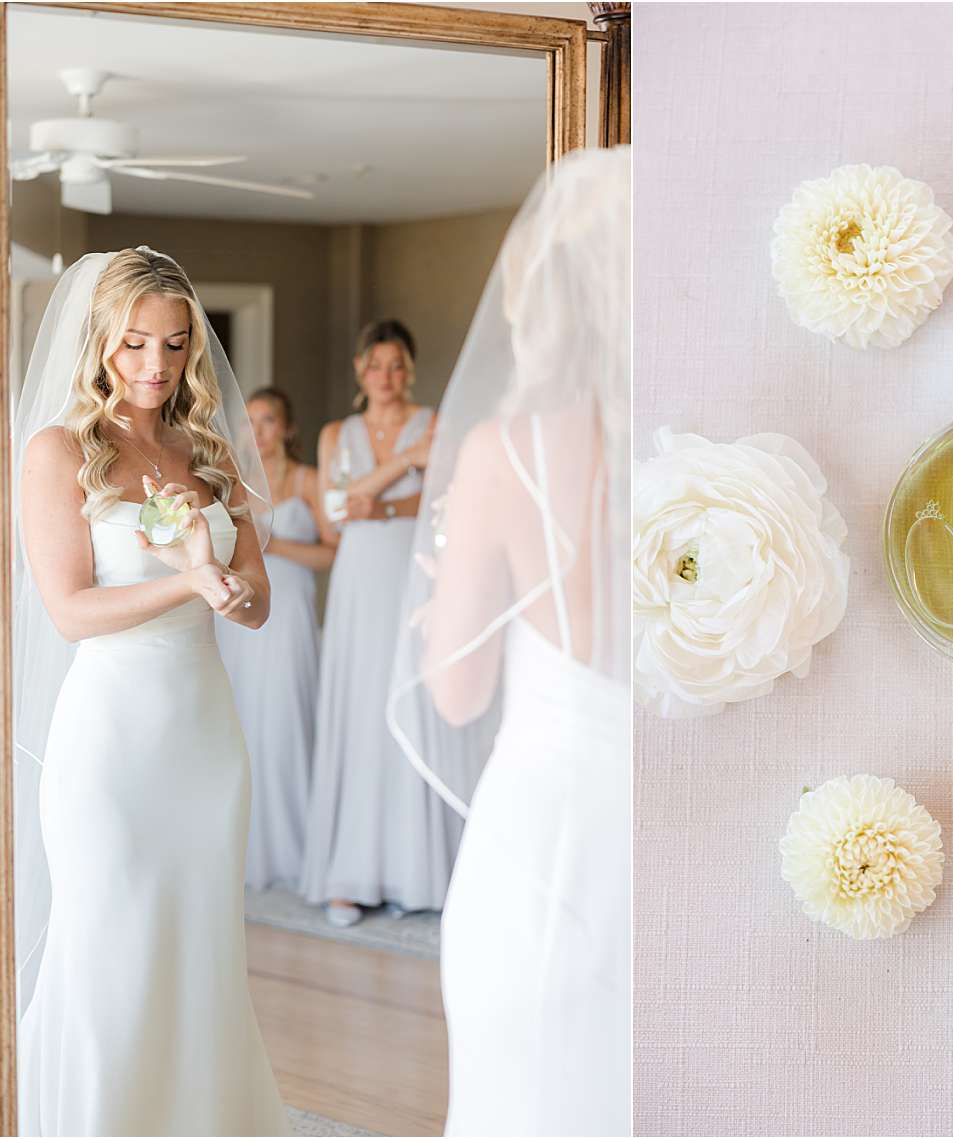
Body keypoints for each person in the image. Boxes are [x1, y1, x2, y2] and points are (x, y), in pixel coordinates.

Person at [12, 246, 288, 1135]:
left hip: (203, 741)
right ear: (99, 341)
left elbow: (258, 603)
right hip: (110, 744)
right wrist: (188, 581)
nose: (155, 365)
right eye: (134, 343)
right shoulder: (59, 452)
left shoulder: (209, 449)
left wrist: (230, 590)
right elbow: (71, 611)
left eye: (173, 345)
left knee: (200, 953)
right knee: (109, 948)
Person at [387, 145, 631, 1136]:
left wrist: (443, 605)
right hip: (673, 832)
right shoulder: (705, 442)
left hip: (546, 830)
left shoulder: (505, 452)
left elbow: (455, 691)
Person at [300, 319, 458, 926]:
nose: (385, 377)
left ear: (409, 370)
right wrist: (402, 464)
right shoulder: (335, 434)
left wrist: (384, 504)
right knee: (360, 707)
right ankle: (352, 872)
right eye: (375, 365)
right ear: (359, 370)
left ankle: (414, 871)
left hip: (412, 575)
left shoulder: (434, 423)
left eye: (396, 366)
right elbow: (334, 515)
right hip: (359, 582)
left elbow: (444, 500)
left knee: (410, 699)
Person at [217, 387, 335, 891]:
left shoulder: (308, 480)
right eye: (250, 421)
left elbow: (333, 551)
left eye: (268, 420)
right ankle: (244, 849)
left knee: (287, 721)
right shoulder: (230, 482)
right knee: (241, 722)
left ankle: (298, 849)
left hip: (290, 619)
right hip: (240, 622)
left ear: (287, 428)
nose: (258, 431)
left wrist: (274, 544)